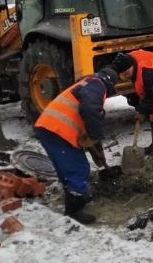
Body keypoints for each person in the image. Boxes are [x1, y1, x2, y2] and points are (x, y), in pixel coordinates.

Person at [34, 67, 118, 224]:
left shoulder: (86, 83)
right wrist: (95, 135)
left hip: (46, 127)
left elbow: (89, 114)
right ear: (110, 83)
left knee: (64, 167)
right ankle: (74, 210)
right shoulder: (97, 84)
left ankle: (74, 195)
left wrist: (96, 148)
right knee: (78, 168)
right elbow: (90, 109)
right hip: (58, 131)